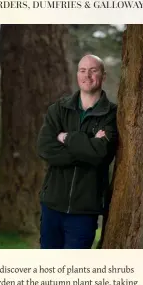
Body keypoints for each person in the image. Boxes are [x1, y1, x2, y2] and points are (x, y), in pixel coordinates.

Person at [37, 54, 118, 249]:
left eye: (93, 70)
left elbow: (101, 156)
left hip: (85, 210)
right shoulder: (59, 109)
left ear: (103, 76)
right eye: (83, 70)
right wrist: (88, 147)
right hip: (52, 206)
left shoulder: (113, 114)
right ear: (77, 74)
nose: (87, 75)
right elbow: (45, 148)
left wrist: (66, 138)